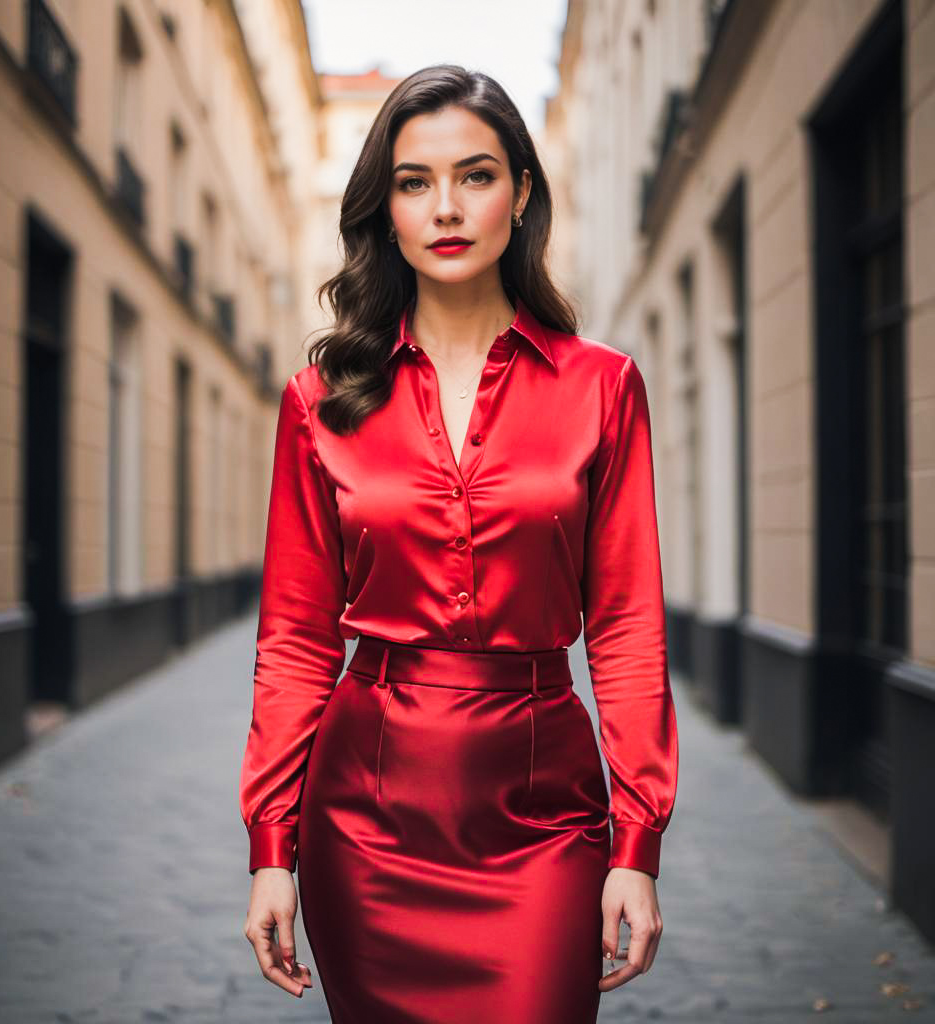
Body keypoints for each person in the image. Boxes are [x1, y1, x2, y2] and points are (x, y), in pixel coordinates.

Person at [239, 63, 679, 1023]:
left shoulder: (603, 387)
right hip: (363, 820)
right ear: (385, 208)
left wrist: (637, 846)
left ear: (522, 195)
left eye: (476, 176)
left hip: (545, 819)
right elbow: (296, 642)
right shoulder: (319, 403)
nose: (446, 207)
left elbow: (629, 627)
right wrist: (273, 846)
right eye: (413, 181)